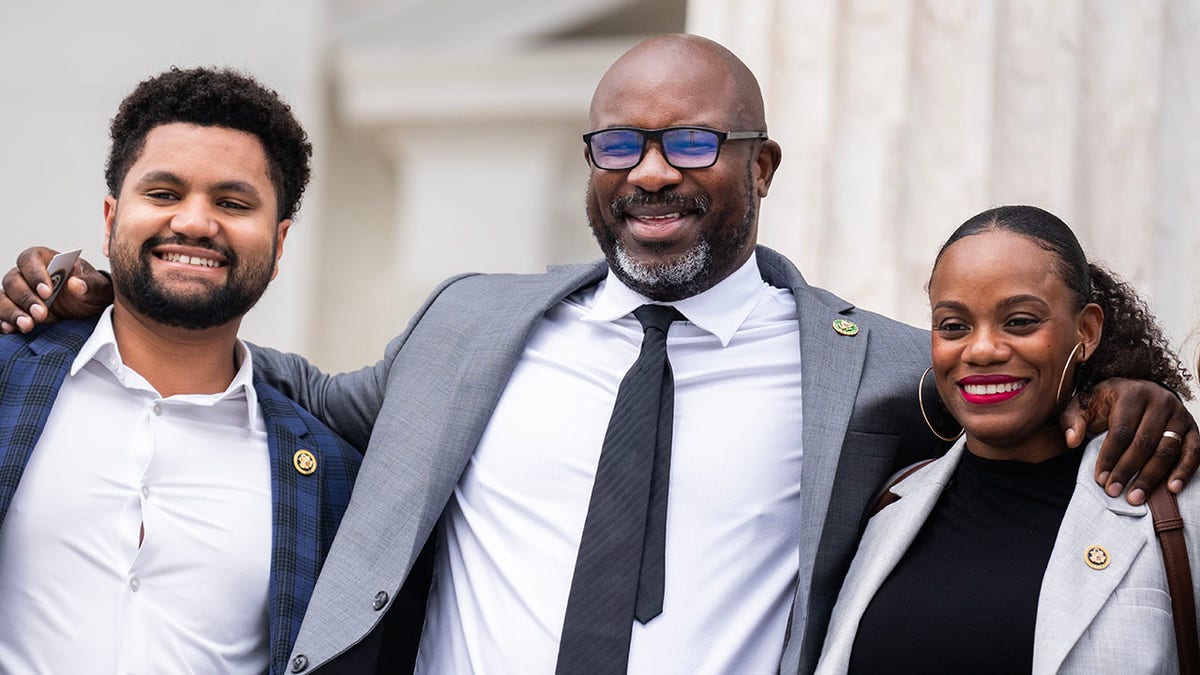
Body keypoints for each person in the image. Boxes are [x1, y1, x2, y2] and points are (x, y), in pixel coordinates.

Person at [0, 36, 1196, 674]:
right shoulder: (469, 325)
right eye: (620, 141)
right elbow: (293, 392)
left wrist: (1127, 384)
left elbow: (1021, 398)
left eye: (693, 141)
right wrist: (114, 292)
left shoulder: (872, 369)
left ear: (761, 168)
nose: (653, 170)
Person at [0, 67, 361, 674]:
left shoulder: (330, 476)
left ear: (279, 243)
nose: (195, 222)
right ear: (112, 218)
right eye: (164, 194)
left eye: (232, 202)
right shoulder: (8, 377)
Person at [815, 205, 1198, 674]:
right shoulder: (886, 504)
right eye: (954, 326)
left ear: (1088, 329)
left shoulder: (1175, 500)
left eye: (1019, 321)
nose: (981, 350)